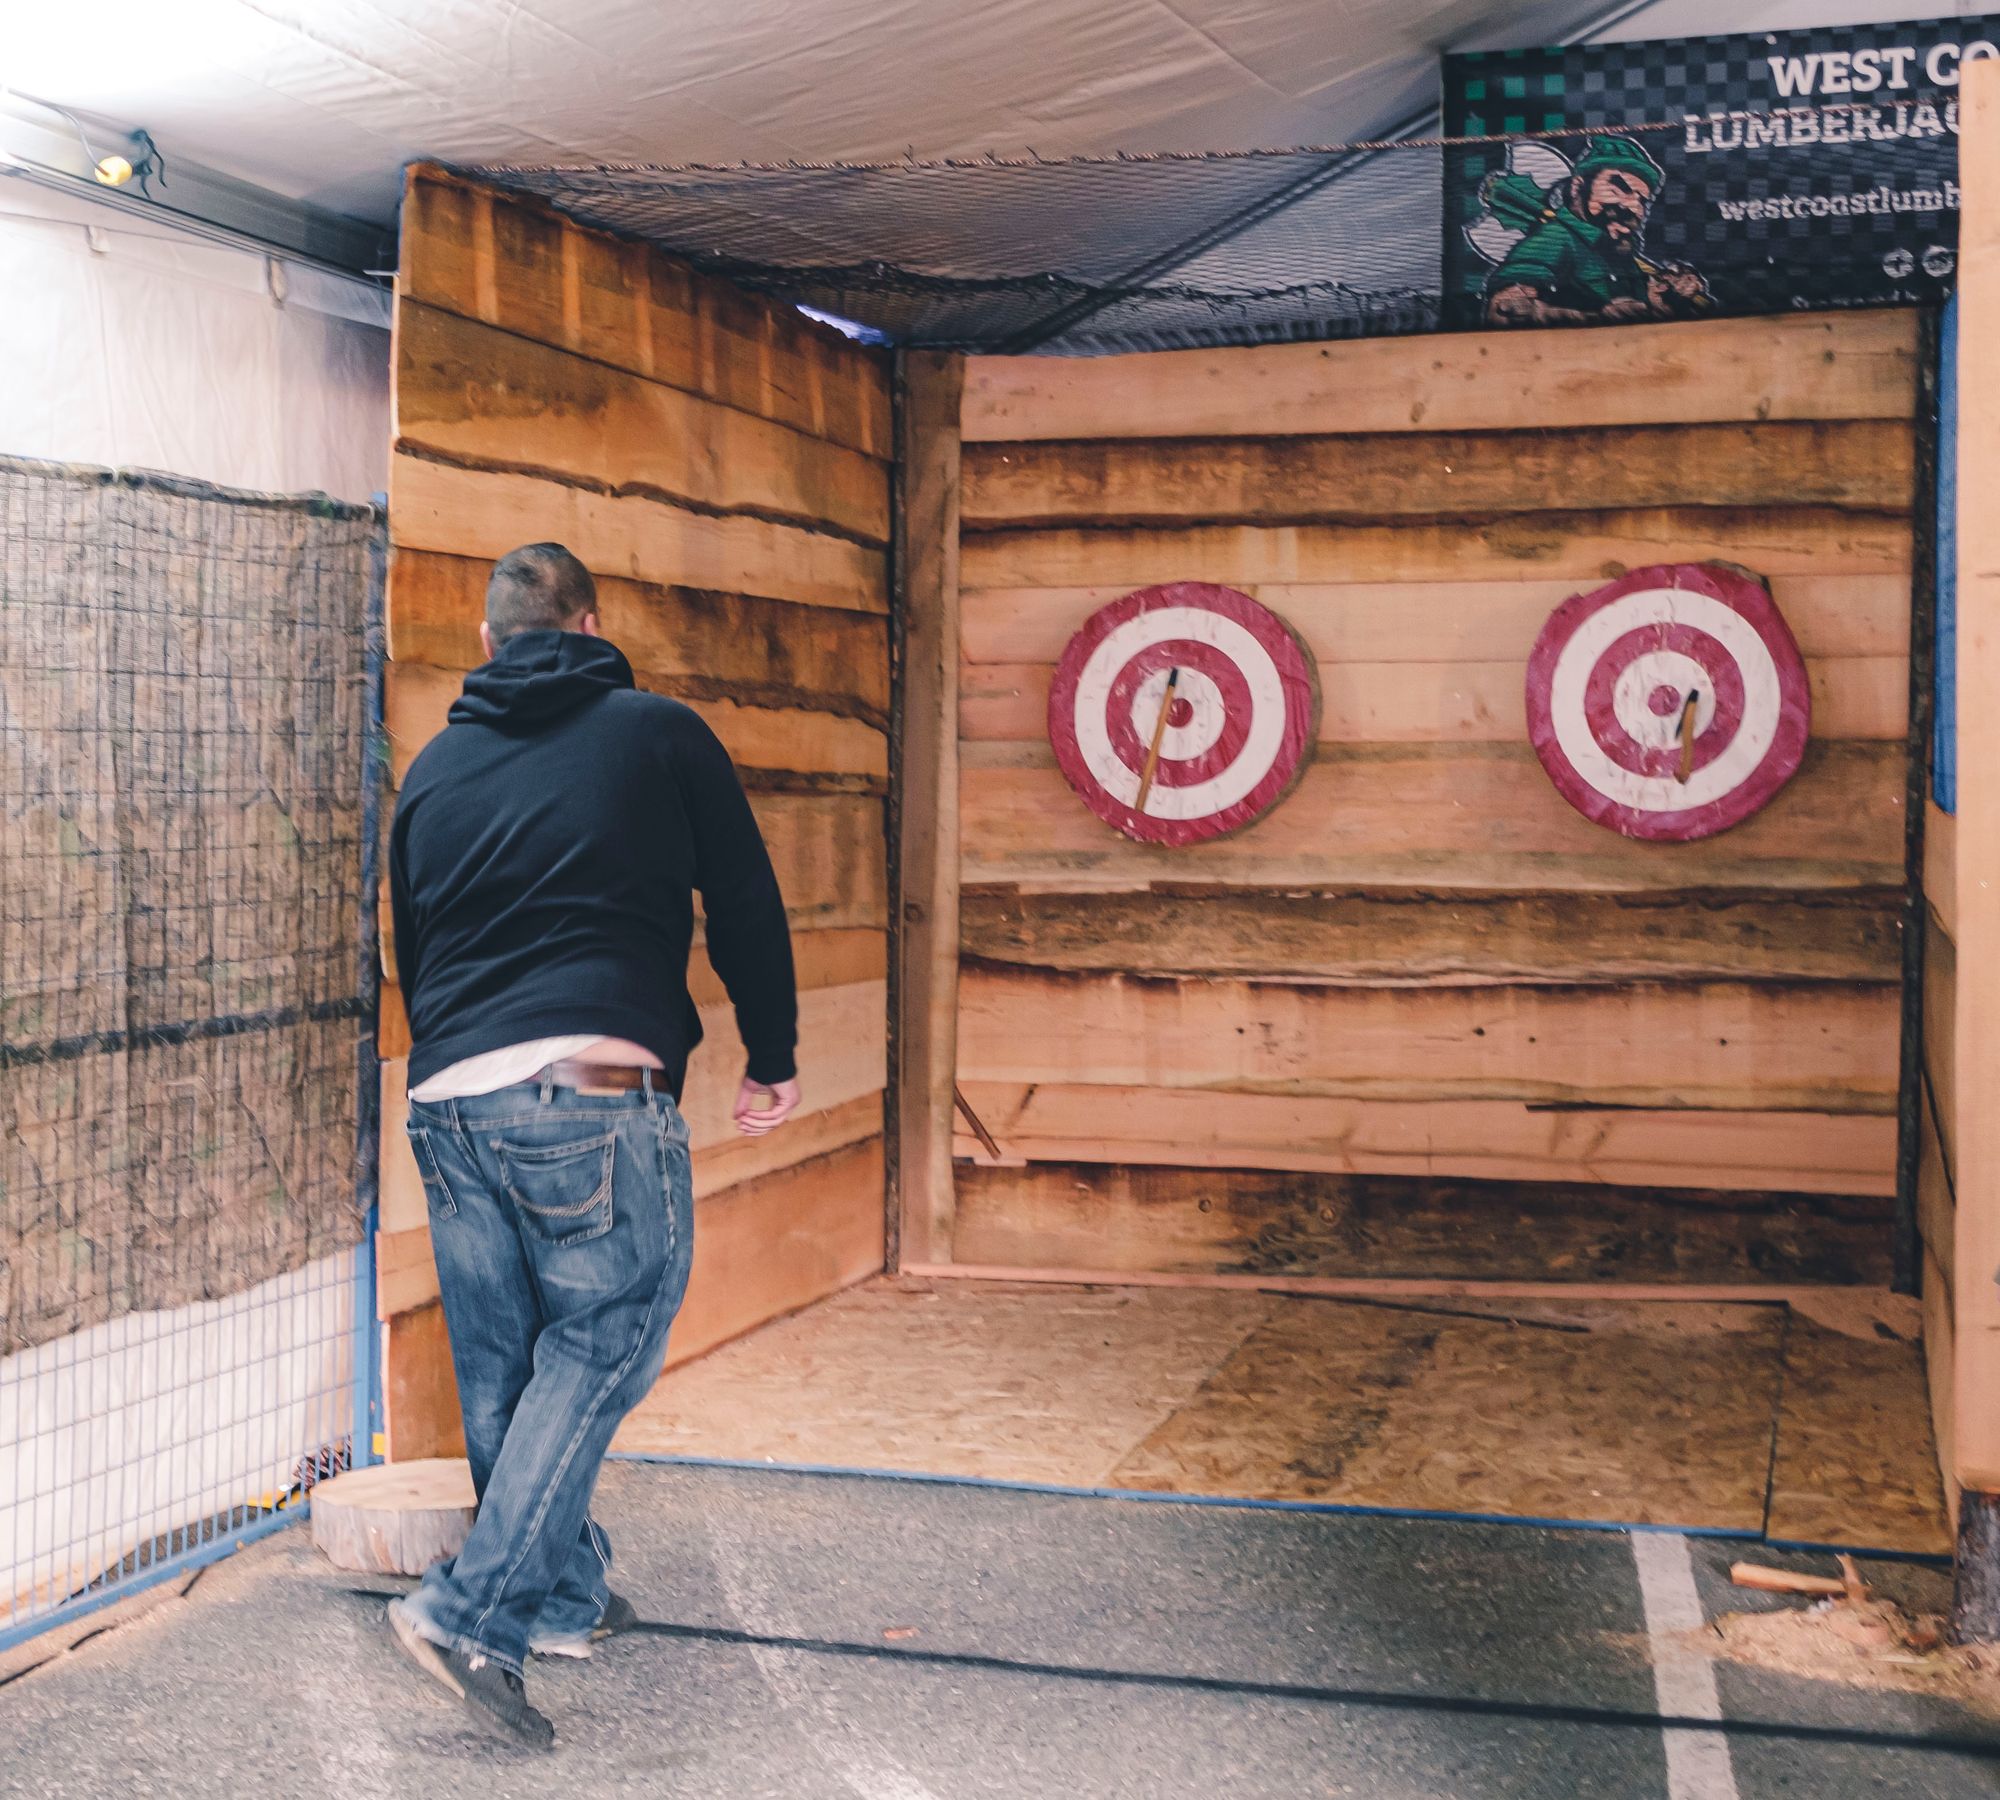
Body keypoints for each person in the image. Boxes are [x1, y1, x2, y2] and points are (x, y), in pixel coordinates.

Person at [383, 541, 801, 1748]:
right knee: (608, 1335)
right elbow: (745, 898)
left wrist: (459, 1069)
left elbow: (417, 945)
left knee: (507, 1368)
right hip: (590, 1076)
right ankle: (472, 1613)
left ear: (487, 643)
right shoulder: (659, 730)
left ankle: (558, 1595)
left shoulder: (436, 767)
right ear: (591, 622)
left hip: (451, 1094)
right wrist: (769, 1057)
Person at [1482, 135, 1711, 327]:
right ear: (1577, 187)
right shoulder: (1556, 240)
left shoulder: (1621, 257)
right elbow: (1503, 311)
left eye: (1642, 200)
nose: (1634, 208)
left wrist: (1667, 302)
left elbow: (1652, 312)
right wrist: (1598, 318)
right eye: (1619, 188)